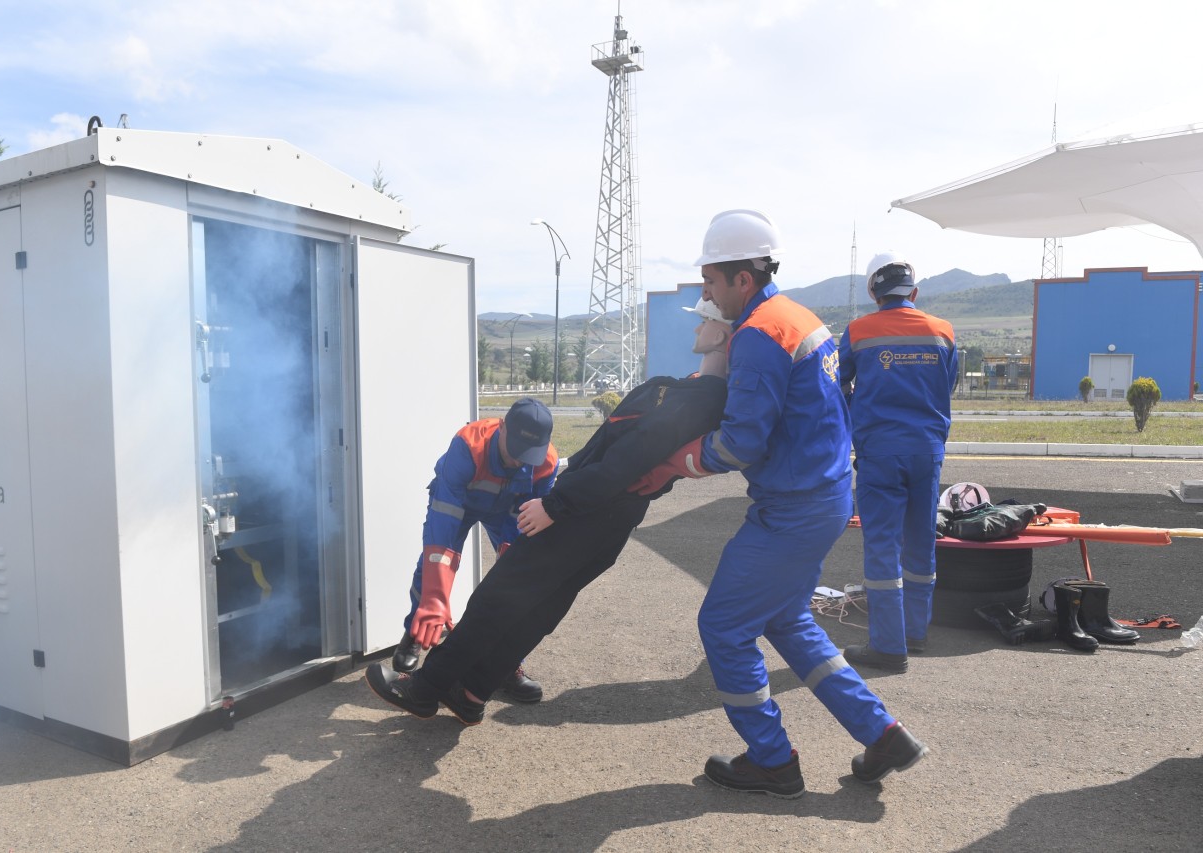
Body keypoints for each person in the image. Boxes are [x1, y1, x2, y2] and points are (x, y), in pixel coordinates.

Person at [638, 209, 928, 797]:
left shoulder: (759, 335)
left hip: (792, 509)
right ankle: (883, 734)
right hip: (821, 494)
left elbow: (742, 441)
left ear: (744, 278)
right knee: (788, 621)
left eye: (712, 281)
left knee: (722, 626)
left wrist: (675, 461)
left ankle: (771, 759)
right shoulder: (796, 316)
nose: (706, 292)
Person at [365, 301, 732, 724]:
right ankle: (471, 691)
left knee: (498, 595)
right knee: (541, 607)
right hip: (612, 518)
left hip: (587, 508)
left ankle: (425, 690)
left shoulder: (698, 399)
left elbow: (626, 460)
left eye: (706, 320)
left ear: (721, 335)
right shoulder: (697, 392)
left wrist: (557, 504)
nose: (697, 327)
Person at [391, 397, 558, 703]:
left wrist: (515, 558)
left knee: (517, 581)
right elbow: (443, 524)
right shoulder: (467, 447)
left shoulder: (545, 463)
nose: (520, 462)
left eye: (528, 455)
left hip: (508, 512)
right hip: (460, 505)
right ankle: (416, 634)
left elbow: (529, 522)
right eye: (517, 449)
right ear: (503, 427)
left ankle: (505, 665)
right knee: (432, 568)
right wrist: (434, 599)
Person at [837, 251, 959, 672]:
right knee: (921, 540)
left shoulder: (857, 331)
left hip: (880, 452)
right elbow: (949, 384)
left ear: (873, 292)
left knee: (882, 545)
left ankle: (888, 647)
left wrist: (860, 406)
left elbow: (839, 387)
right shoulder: (943, 331)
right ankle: (915, 632)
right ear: (915, 291)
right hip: (927, 450)